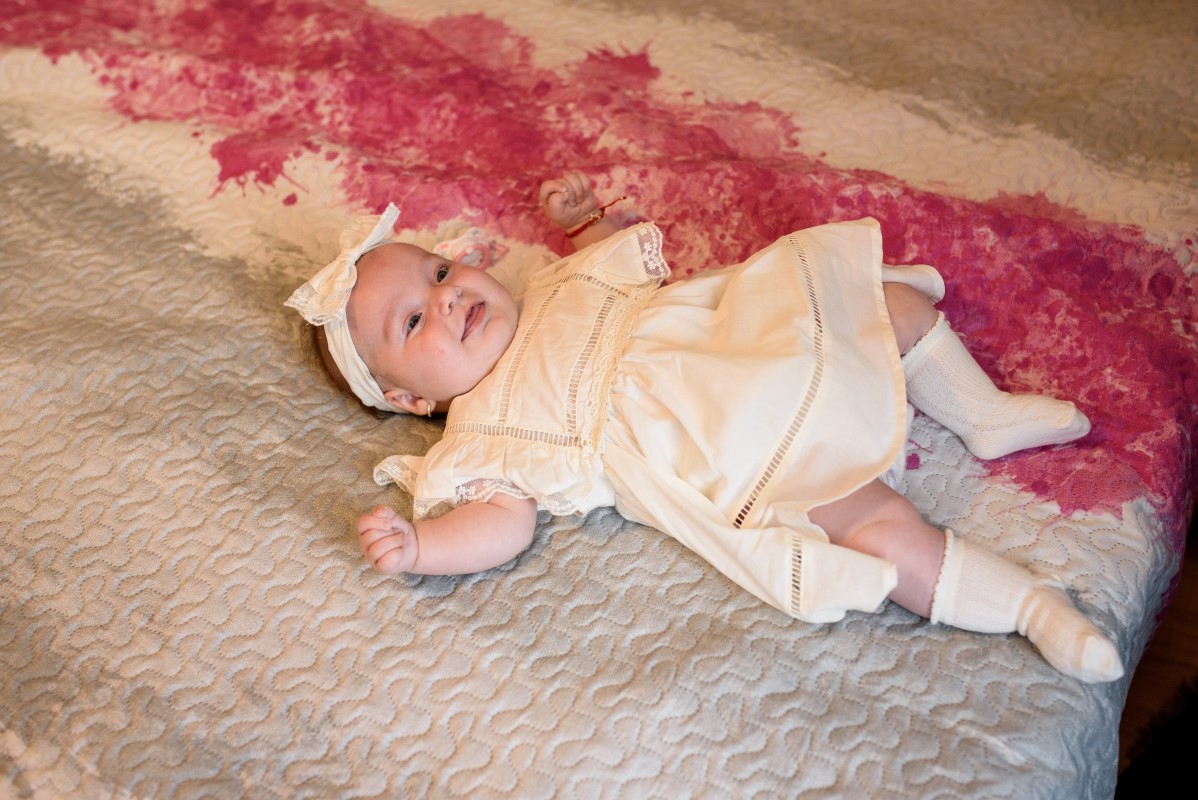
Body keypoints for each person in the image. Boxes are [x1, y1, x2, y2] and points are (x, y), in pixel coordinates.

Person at [286, 173, 1120, 683]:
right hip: (732, 449)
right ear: (410, 401)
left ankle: (983, 414)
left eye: (438, 271)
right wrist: (424, 548)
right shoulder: (487, 434)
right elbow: (502, 524)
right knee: (874, 532)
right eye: (413, 322)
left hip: (746, 336)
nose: (448, 298)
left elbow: (612, 264)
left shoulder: (546, 287)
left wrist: (586, 225)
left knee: (882, 305)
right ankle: (1029, 607)